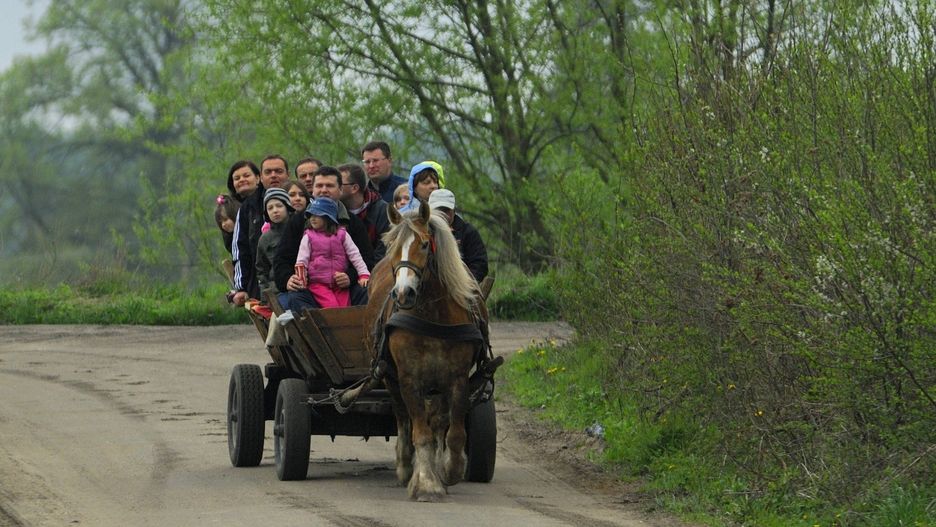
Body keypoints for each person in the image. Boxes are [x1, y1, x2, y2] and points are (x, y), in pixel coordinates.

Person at [274, 166, 374, 310]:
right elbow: (281, 259)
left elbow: (365, 258)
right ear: (312, 191)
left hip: (345, 287)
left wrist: (350, 277)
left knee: (366, 292)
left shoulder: (352, 222)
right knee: (295, 297)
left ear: (340, 190)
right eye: (319, 186)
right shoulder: (298, 221)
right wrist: (288, 279)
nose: (324, 190)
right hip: (311, 288)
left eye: (330, 186)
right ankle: (315, 332)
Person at [231, 155, 289, 306]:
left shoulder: (298, 198)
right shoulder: (248, 208)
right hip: (263, 285)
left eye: (278, 171)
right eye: (268, 172)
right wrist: (241, 287)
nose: (274, 175)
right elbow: (240, 250)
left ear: (288, 174)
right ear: (260, 178)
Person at [295, 197, 370, 308]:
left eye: (317, 215)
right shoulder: (308, 236)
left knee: (346, 308)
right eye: (311, 215)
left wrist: (364, 274)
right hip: (318, 283)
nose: (312, 219)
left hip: (339, 283)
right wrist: (301, 279)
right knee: (332, 307)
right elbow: (302, 260)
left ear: (328, 217)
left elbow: (355, 255)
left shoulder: (342, 234)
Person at [428, 189, 489, 283]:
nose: (442, 214)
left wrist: (464, 283)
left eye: (446, 210)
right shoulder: (422, 234)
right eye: (438, 210)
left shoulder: (468, 232)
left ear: (454, 210)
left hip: (460, 286)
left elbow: (479, 264)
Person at [338, 163, 390, 262]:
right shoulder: (334, 210)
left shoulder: (381, 210)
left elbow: (384, 248)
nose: (334, 187)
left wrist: (366, 273)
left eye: (339, 183)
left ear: (354, 188)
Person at [255, 187, 295, 299]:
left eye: (279, 206)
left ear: (287, 207)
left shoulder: (299, 230)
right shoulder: (265, 239)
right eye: (270, 208)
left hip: (300, 286)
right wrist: (266, 297)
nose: (275, 211)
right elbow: (261, 271)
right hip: (278, 292)